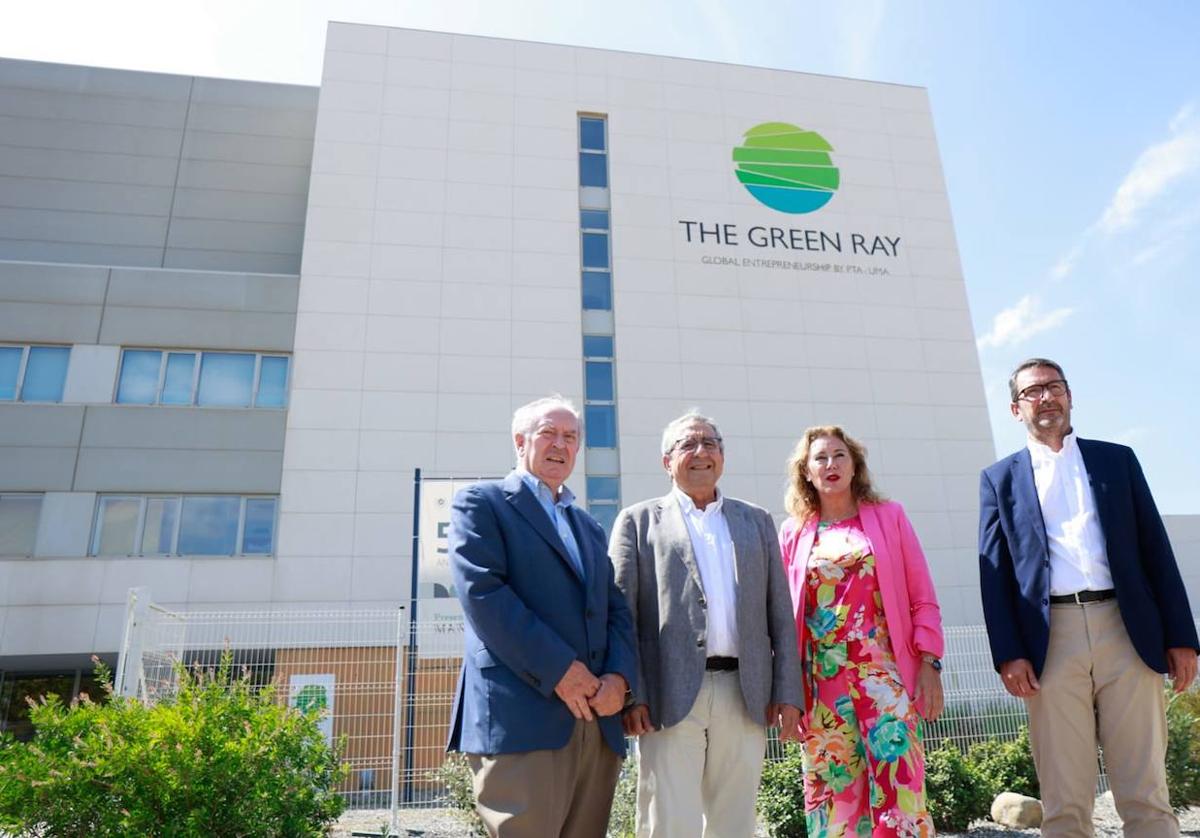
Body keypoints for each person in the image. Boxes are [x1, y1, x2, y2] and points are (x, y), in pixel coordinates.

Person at [979, 358, 1199, 837]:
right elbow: (993, 576)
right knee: (1064, 797)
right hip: (1049, 641)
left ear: (1070, 395)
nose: (1046, 397)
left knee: (1146, 790)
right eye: (1033, 392)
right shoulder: (1000, 479)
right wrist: (1009, 654)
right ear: (1016, 409)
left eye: (1054, 387)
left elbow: (1154, 548)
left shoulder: (1116, 460)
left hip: (1127, 628)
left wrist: (1182, 636)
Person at [446, 395, 638, 838]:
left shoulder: (587, 525)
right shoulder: (482, 502)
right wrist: (559, 671)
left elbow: (615, 610)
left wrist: (620, 680)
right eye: (548, 433)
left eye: (570, 437)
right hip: (524, 717)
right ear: (520, 441)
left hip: (595, 719)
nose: (560, 444)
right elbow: (484, 595)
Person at [609, 411, 802, 838]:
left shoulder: (755, 520)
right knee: (668, 820)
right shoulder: (637, 522)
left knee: (734, 820)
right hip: (666, 696)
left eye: (710, 443)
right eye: (687, 444)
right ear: (666, 461)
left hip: (746, 692)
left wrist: (788, 691)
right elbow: (621, 618)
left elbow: (780, 614)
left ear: (722, 455)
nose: (701, 452)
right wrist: (632, 694)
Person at [779, 425, 944, 836]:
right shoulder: (792, 532)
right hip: (820, 685)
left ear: (855, 466)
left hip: (884, 675)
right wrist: (784, 692)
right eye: (820, 458)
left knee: (901, 788)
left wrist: (929, 662)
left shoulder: (890, 517)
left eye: (839, 455)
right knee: (834, 798)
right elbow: (782, 618)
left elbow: (922, 596)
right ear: (807, 471)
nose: (830, 464)